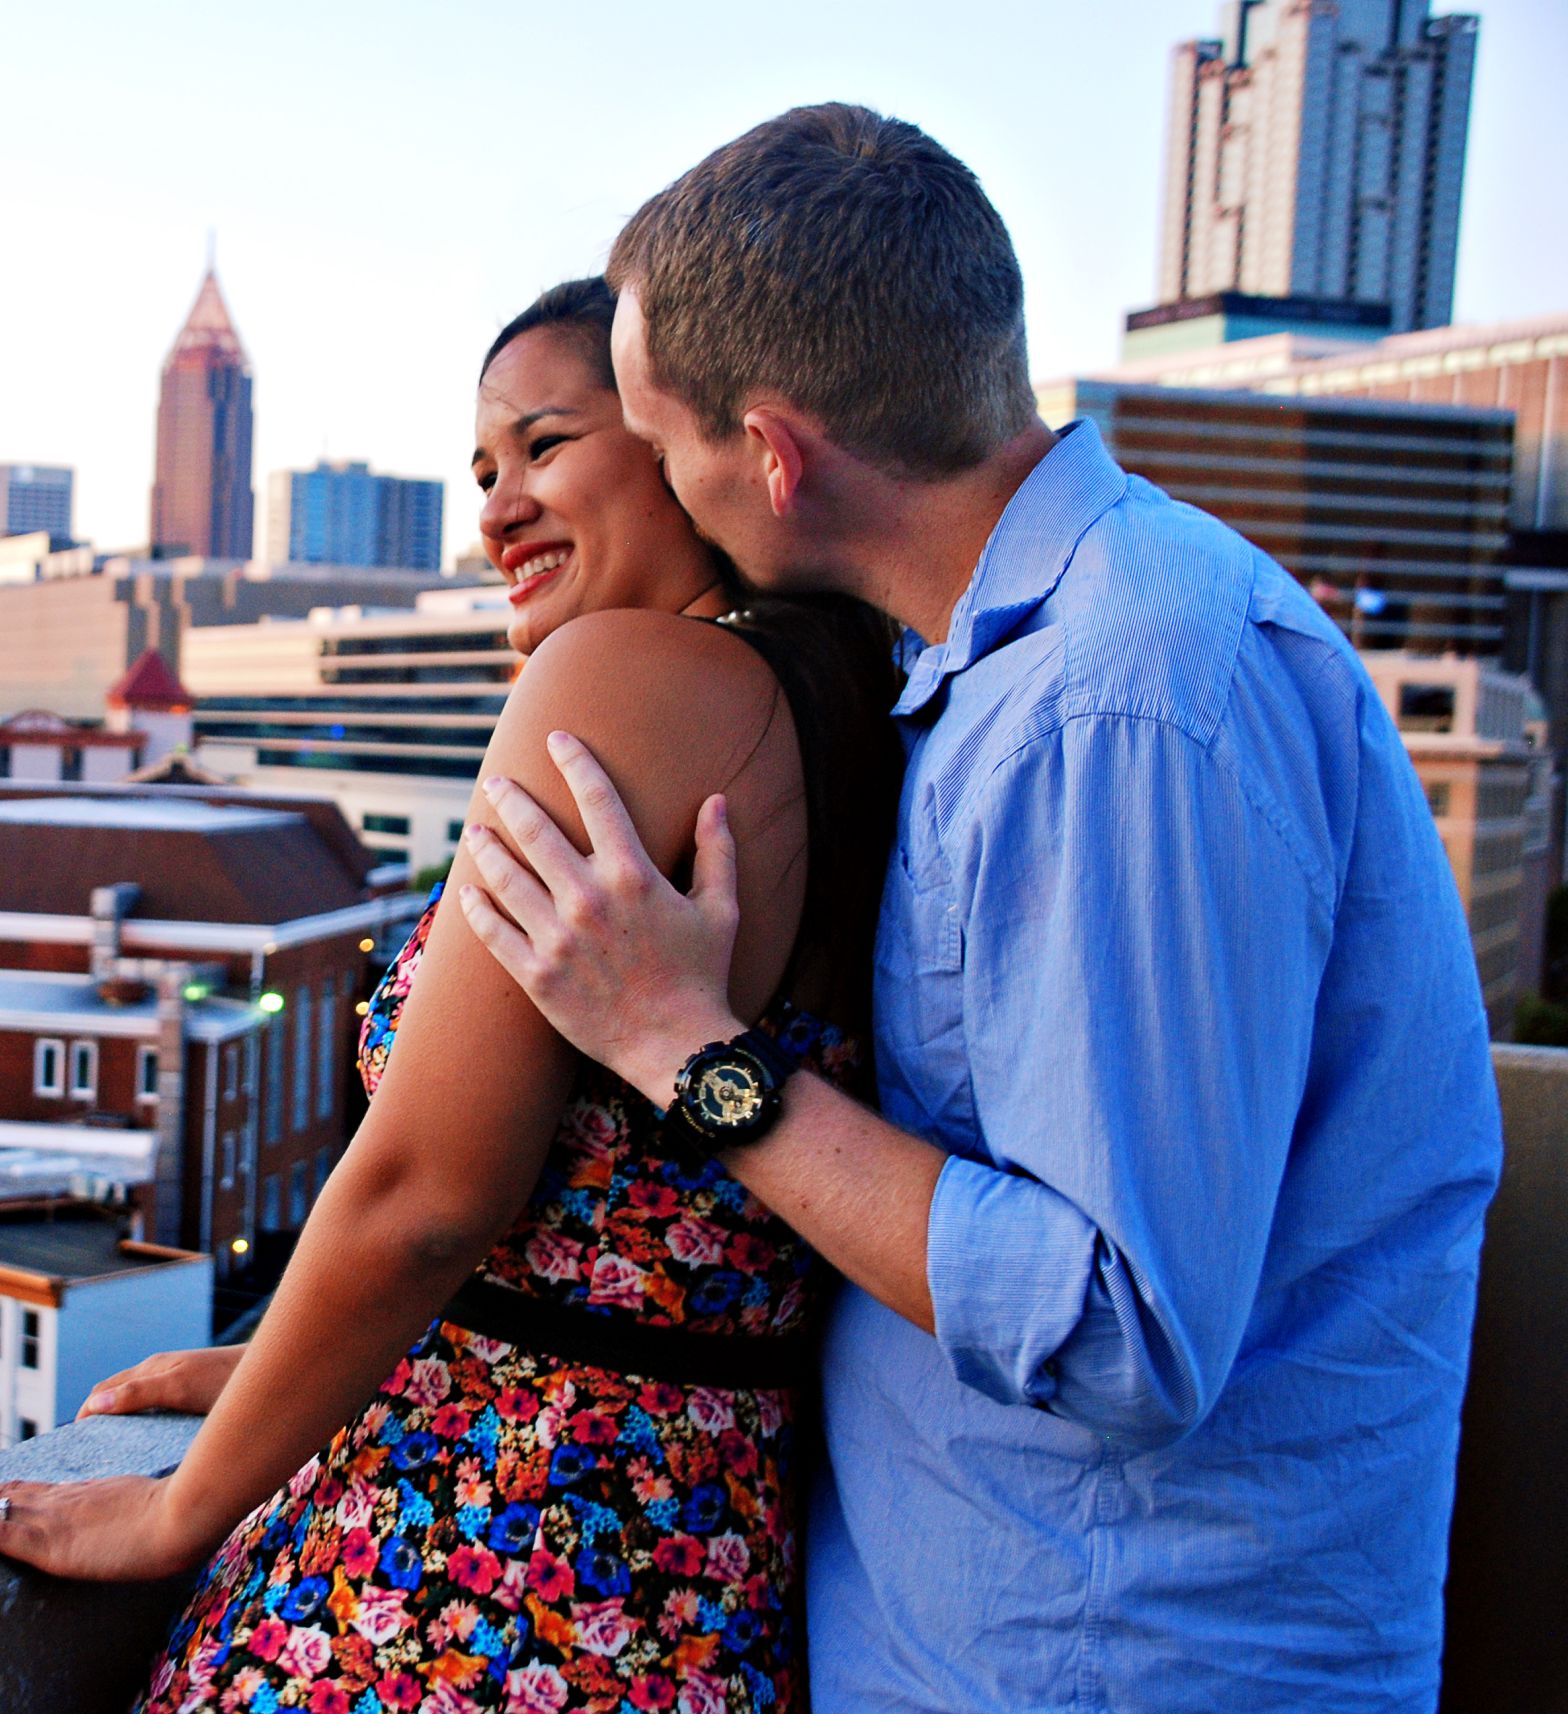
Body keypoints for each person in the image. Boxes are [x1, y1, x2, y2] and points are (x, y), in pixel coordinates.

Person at [452, 106, 1503, 1712]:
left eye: (664, 447)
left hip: (1108, 1662)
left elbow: (1123, 1330)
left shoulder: (1122, 700)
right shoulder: (993, 667)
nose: (659, 490)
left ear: (776, 456)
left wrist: (684, 1046)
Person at [0, 276, 903, 1712]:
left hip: (493, 1557)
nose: (497, 512)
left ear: (687, 442)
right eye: (483, 471)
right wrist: (262, 1375)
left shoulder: (622, 676)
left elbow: (435, 1188)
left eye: (544, 445)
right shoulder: (844, 706)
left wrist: (176, 1506)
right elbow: (615, 1228)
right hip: (691, 1566)